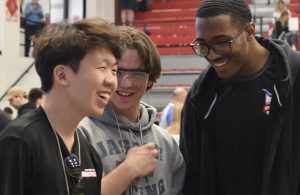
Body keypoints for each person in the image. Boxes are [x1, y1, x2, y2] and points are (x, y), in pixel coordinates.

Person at [180, 0, 300, 195]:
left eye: (222, 43)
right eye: (203, 45)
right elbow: (191, 174)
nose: (212, 55)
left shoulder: (294, 78)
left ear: (250, 31)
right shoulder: (200, 96)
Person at [0, 17, 121, 195]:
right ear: (62, 75)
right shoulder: (19, 141)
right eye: (102, 68)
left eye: (114, 71)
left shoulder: (89, 152)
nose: (112, 81)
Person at [79, 26, 185, 195]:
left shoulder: (166, 142)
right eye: (118, 72)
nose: (126, 83)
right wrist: (128, 170)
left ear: (150, 80)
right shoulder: (81, 133)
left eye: (137, 74)